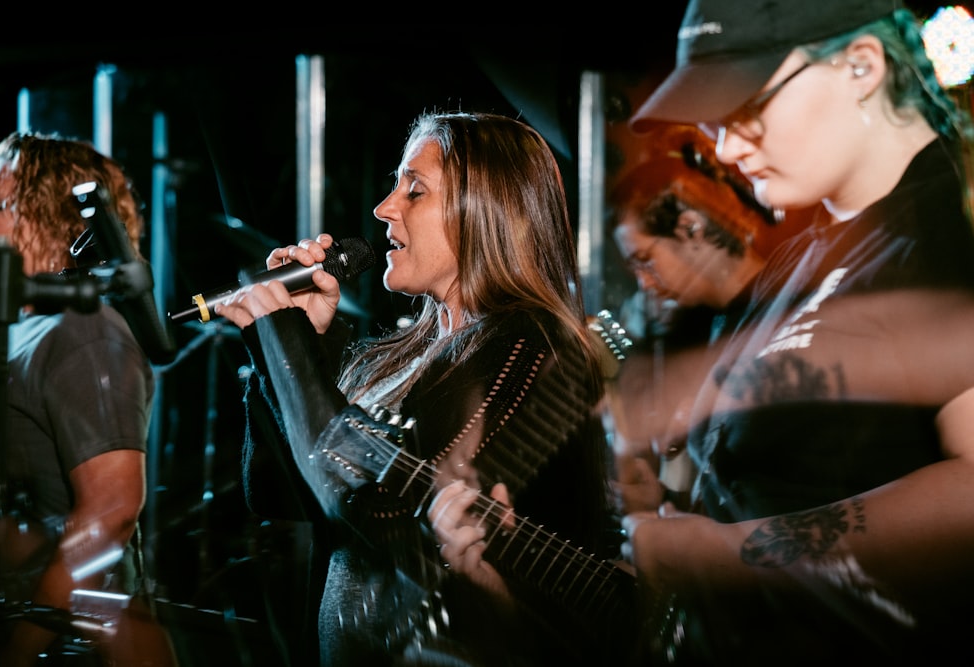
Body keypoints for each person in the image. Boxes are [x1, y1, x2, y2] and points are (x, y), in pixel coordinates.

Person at [613, 0, 974, 663]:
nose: (725, 147)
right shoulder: (807, 249)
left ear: (861, 66)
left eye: (748, 108)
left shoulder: (952, 231)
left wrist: (730, 552)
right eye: (716, 123)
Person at [216, 111, 634, 666]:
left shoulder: (531, 346)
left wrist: (284, 341)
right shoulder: (403, 352)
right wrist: (292, 346)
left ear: (487, 210)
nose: (384, 207)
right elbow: (274, 493)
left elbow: (398, 517)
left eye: (414, 190)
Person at [0, 132, 177, 666]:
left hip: (78, 648)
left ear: (56, 220)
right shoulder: (15, 329)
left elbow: (111, 510)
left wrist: (16, 649)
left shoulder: (83, 330)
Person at [602, 122, 802, 517]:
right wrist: (664, 501)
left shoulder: (785, 310)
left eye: (645, 260)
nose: (643, 283)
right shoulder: (713, 328)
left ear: (690, 227)